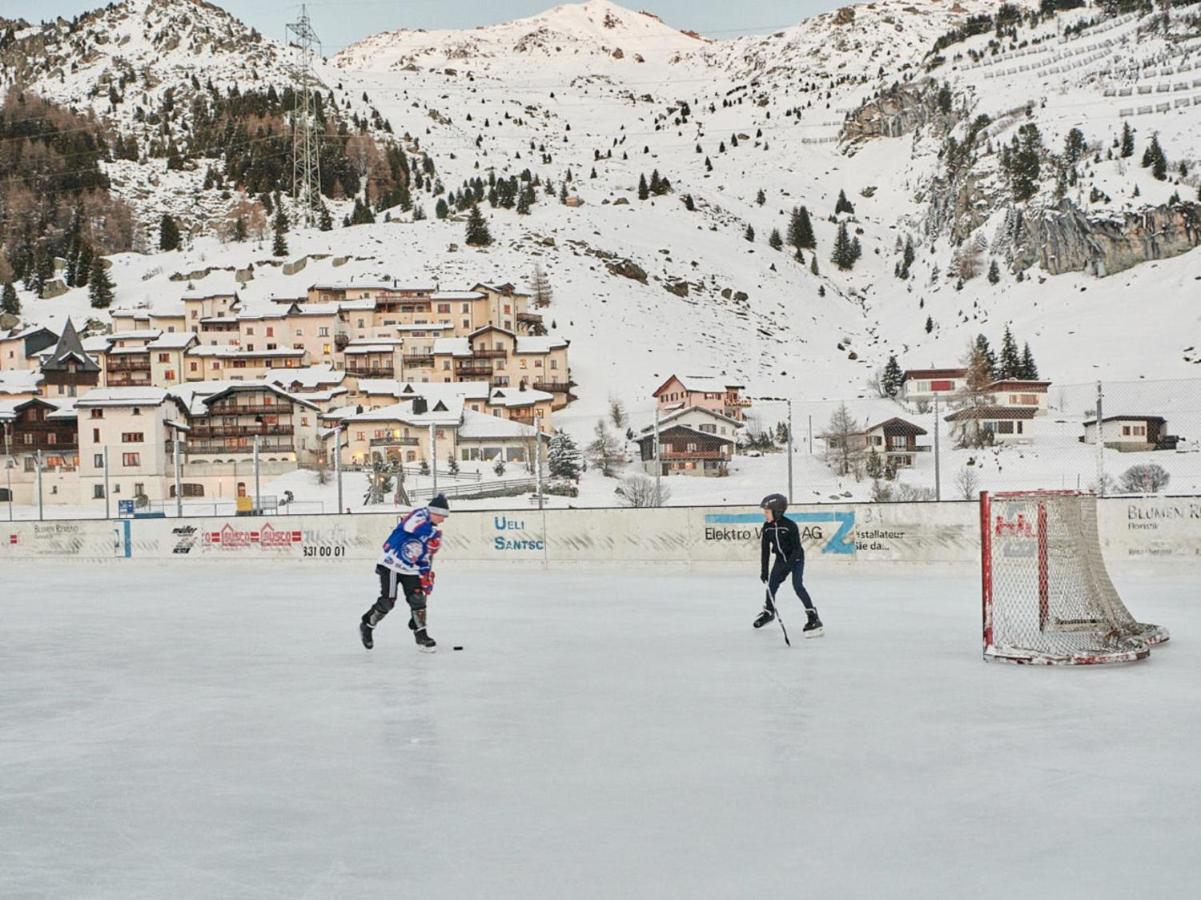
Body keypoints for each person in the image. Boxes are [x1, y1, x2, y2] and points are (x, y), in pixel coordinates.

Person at [359, 494, 449, 652]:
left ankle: (421, 635)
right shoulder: (419, 515)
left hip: (411, 569)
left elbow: (424, 558)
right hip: (392, 565)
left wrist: (425, 576)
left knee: (418, 599)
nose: (443, 520)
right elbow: (410, 527)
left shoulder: (431, 532)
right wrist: (432, 535)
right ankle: (367, 625)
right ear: (435, 512)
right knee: (388, 600)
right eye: (443, 516)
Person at [755, 493, 823, 637]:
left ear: (777, 511)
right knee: (771, 585)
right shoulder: (767, 527)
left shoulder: (790, 526)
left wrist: (788, 567)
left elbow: (797, 549)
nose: (765, 515)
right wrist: (764, 570)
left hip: (796, 560)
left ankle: (813, 616)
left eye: (767, 512)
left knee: (797, 586)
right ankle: (769, 611)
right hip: (780, 560)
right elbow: (765, 550)